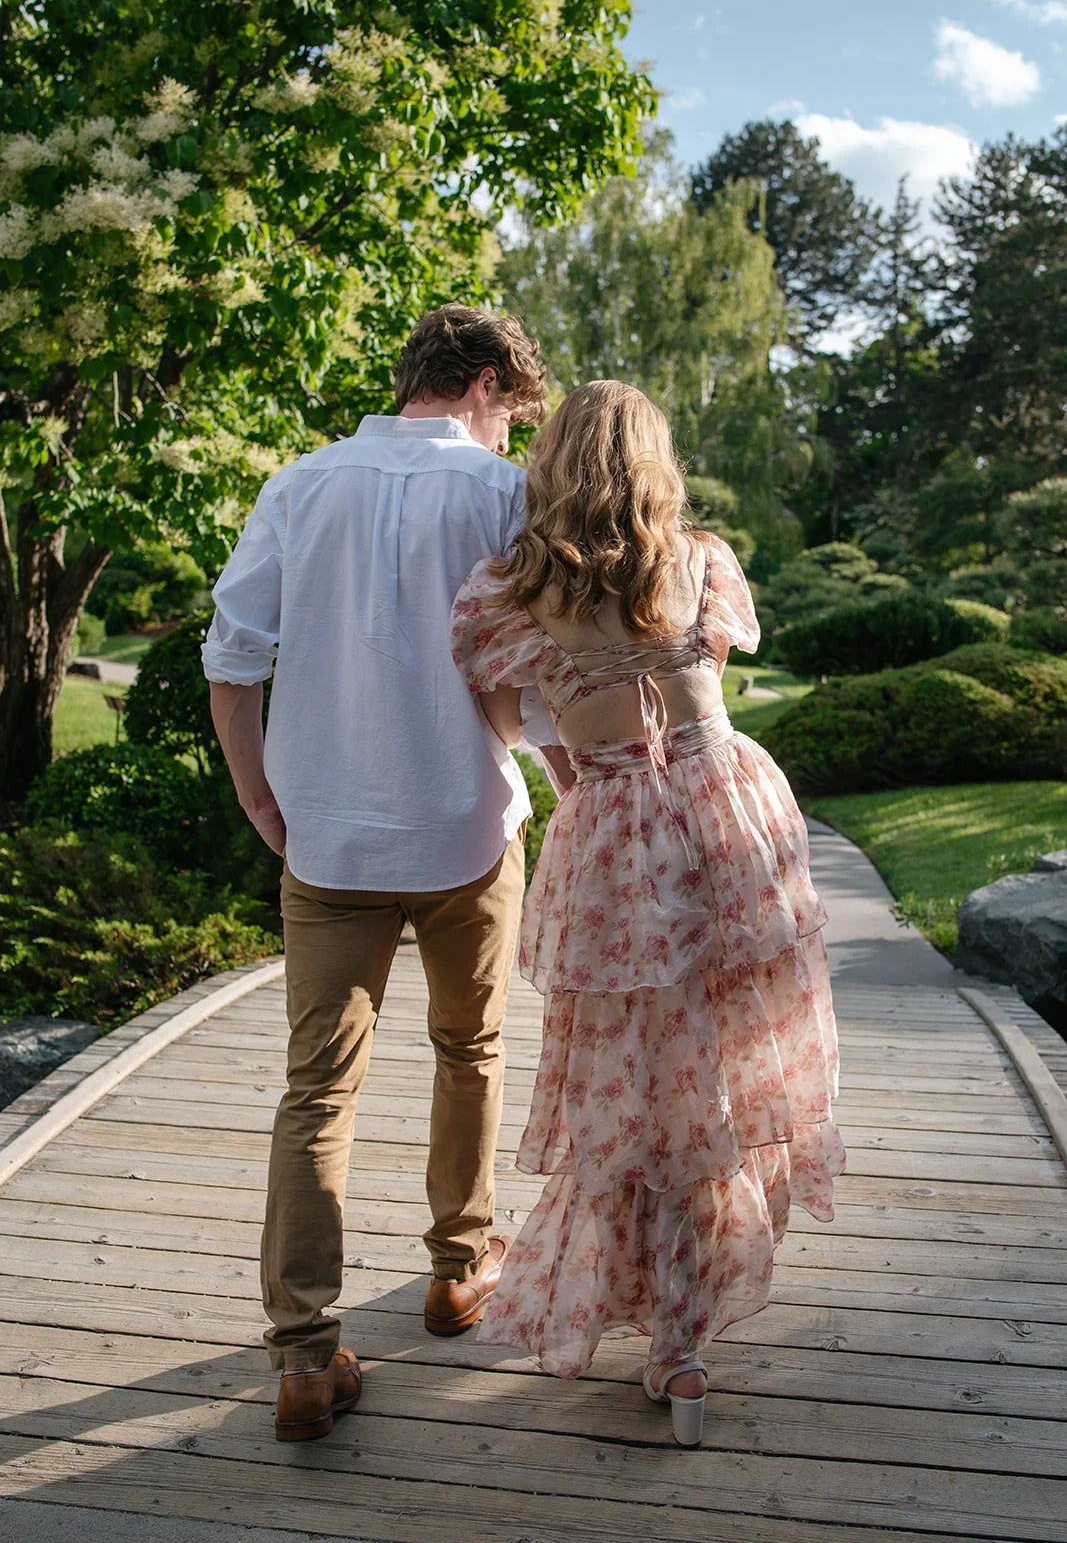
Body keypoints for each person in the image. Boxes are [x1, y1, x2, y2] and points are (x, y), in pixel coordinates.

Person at [450, 379, 844, 1447]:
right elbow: (705, 682)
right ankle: (683, 1342)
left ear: (554, 462)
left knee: (636, 1081)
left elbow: (521, 724)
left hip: (614, 828)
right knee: (717, 1071)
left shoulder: (504, 591)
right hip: (731, 815)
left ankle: (665, 1335)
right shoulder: (703, 562)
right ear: (654, 463)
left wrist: (586, 767)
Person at [202, 304, 550, 1442]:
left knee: (316, 1090)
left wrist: (261, 795)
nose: (515, 436)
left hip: (331, 837)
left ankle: (302, 1355)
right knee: (472, 1047)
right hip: (466, 826)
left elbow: (232, 657)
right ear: (487, 382)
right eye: (516, 413)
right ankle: (458, 1269)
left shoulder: (300, 484)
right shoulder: (502, 497)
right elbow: (536, 669)